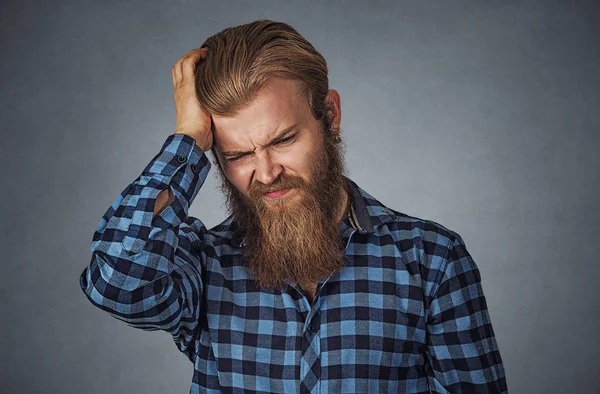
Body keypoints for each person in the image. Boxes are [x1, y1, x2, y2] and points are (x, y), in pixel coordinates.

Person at [79, 19, 507, 393]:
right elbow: (117, 283)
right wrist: (187, 141)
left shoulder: (432, 259)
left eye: (283, 140)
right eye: (237, 156)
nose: (265, 173)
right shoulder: (203, 262)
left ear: (331, 115)